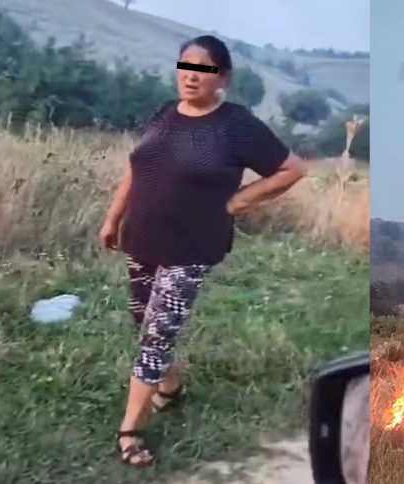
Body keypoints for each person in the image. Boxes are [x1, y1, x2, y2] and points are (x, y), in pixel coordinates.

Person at [98, 35, 307, 467]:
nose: (192, 75)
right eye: (185, 65)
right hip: (142, 237)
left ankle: (130, 431)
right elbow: (134, 170)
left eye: (205, 68)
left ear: (223, 77)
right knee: (146, 322)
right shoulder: (164, 114)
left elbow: (293, 169)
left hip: (192, 245)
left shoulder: (237, 125)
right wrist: (112, 218)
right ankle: (169, 389)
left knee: (157, 333)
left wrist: (238, 202)